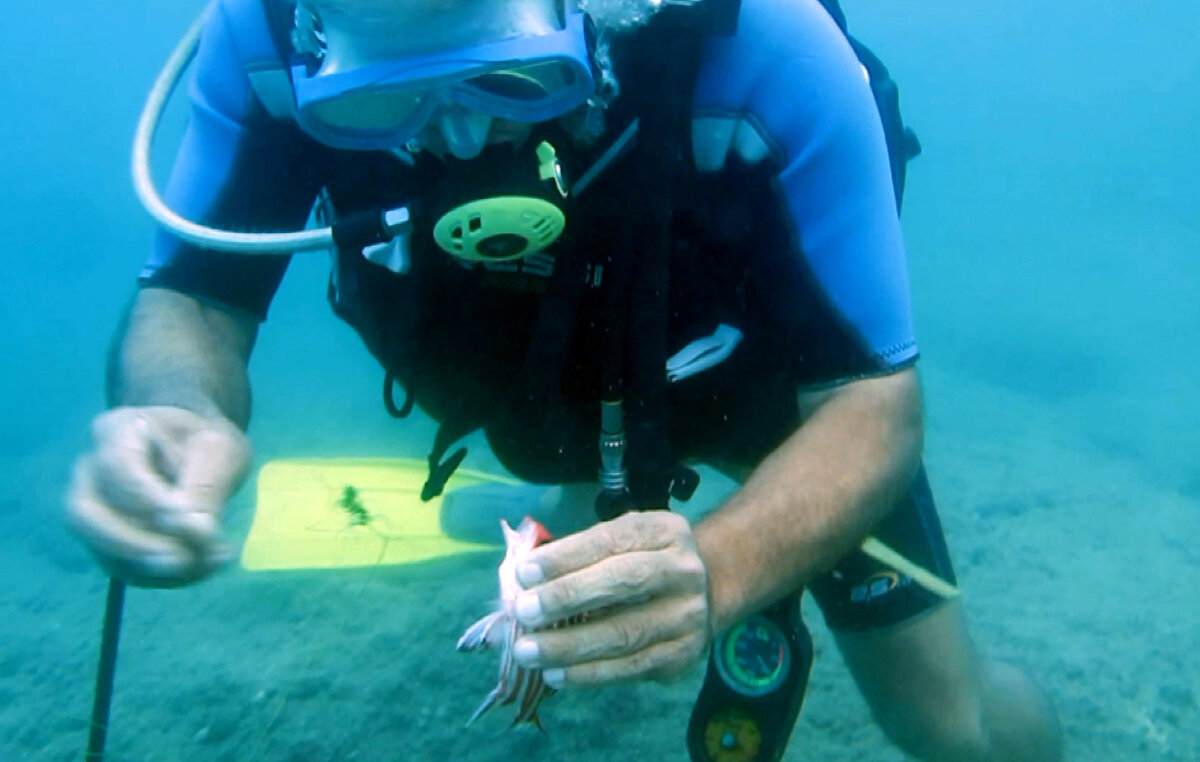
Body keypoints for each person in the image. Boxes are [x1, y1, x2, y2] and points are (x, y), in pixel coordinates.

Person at [67, 0, 1063, 759]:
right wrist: (175, 409)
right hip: (521, 385)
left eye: (509, 79)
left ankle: (612, 509)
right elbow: (191, 302)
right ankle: (576, 499)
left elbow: (872, 406)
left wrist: (723, 566)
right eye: (381, 101)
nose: (457, 142)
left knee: (951, 725)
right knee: (572, 498)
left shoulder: (762, 42)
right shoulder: (266, 42)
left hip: (768, 390)